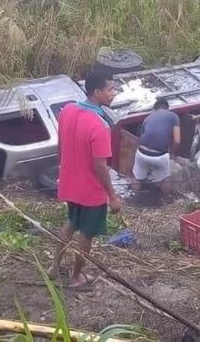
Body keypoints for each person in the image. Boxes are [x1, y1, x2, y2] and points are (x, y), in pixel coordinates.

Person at [48, 70, 122, 290]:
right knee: (86, 235)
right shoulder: (100, 125)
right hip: (91, 193)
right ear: (96, 92)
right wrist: (113, 197)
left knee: (71, 222)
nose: (114, 93)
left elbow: (61, 146)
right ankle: (76, 277)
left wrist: (65, 171)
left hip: (70, 185)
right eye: (110, 89)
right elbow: (101, 165)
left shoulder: (68, 110)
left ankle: (53, 267)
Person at [132, 97, 181, 193]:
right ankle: (165, 202)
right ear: (168, 108)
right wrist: (172, 154)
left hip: (141, 153)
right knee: (165, 179)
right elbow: (177, 141)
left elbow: (141, 135)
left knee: (137, 177)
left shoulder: (148, 117)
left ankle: (133, 200)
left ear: (154, 109)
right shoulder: (174, 116)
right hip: (159, 156)